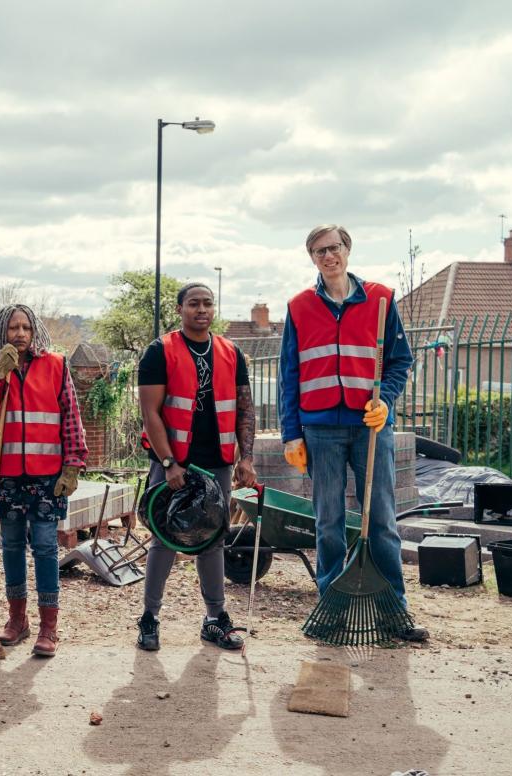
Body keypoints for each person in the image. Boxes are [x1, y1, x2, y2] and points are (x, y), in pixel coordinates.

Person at [279, 224, 428, 641]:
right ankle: (332, 609)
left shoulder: (381, 299)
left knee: (380, 519)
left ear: (348, 250)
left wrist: (386, 402)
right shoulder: (299, 307)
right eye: (320, 251)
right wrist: (292, 433)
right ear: (312, 258)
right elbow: (288, 374)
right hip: (321, 429)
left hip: (370, 428)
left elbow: (400, 361)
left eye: (335, 247)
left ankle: (393, 611)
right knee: (327, 521)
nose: (329, 256)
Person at [135, 282, 256, 651]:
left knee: (212, 539)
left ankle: (215, 619)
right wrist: (169, 463)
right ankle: (149, 618)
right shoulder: (159, 351)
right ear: (180, 309)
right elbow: (150, 412)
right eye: (193, 304)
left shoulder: (231, 352)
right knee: (165, 538)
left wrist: (245, 457)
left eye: (207, 303)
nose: (201, 310)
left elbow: (244, 408)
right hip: (174, 461)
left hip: (216, 460)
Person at [0, 305, 87, 657]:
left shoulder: (55, 364)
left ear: (34, 331)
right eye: (12, 329)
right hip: (6, 473)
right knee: (11, 546)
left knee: (47, 546)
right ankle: (17, 621)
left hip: (46, 473)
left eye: (25, 327)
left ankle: (49, 627)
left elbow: (69, 414)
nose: (19, 334)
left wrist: (73, 465)